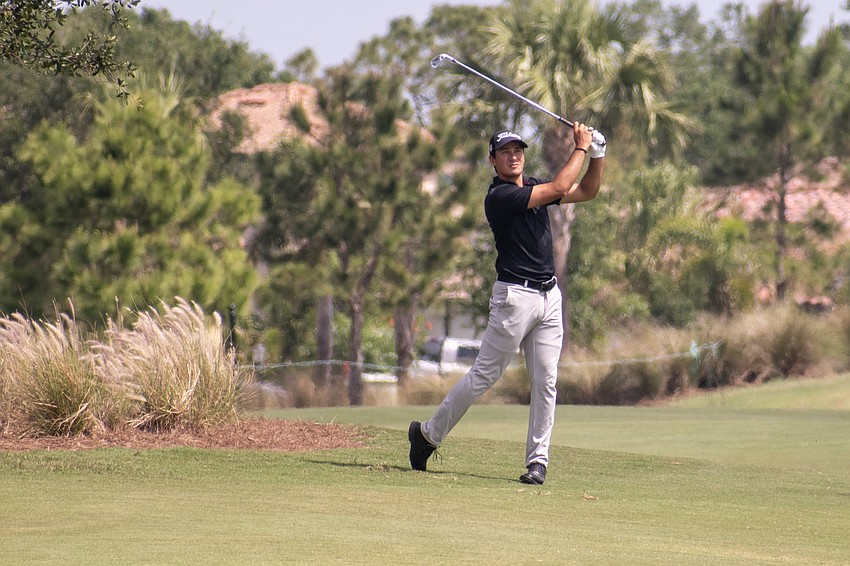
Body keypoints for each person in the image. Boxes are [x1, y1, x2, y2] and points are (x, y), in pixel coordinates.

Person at [409, 123, 605, 485]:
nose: (514, 156)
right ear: (493, 160)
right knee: (484, 375)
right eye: (505, 152)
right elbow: (561, 186)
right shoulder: (499, 197)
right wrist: (581, 147)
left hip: (549, 297)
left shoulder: (532, 186)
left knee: (546, 382)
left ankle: (538, 463)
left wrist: (598, 155)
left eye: (518, 150)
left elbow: (588, 191)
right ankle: (427, 435)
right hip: (515, 298)